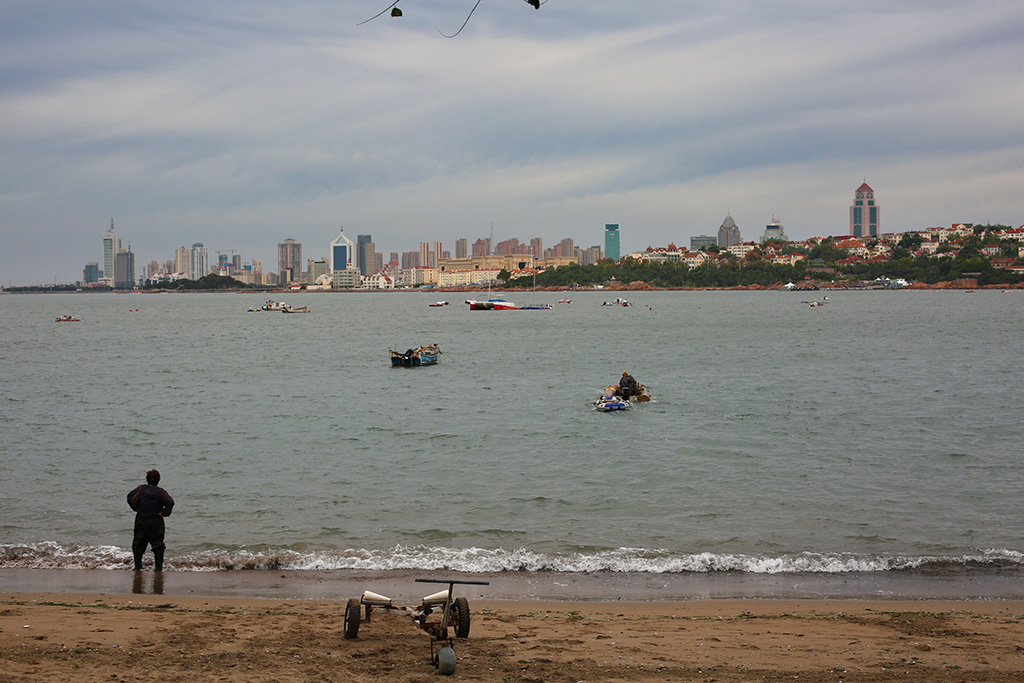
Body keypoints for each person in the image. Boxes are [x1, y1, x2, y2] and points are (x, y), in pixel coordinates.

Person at [127, 469, 174, 572]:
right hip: (156, 522)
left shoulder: (141, 489)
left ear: (147, 480)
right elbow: (170, 502)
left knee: (138, 546)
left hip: (141, 520)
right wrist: (164, 513)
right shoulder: (161, 492)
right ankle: (158, 569)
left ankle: (138, 567)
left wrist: (135, 508)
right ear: (158, 480)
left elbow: (129, 496)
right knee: (158, 547)